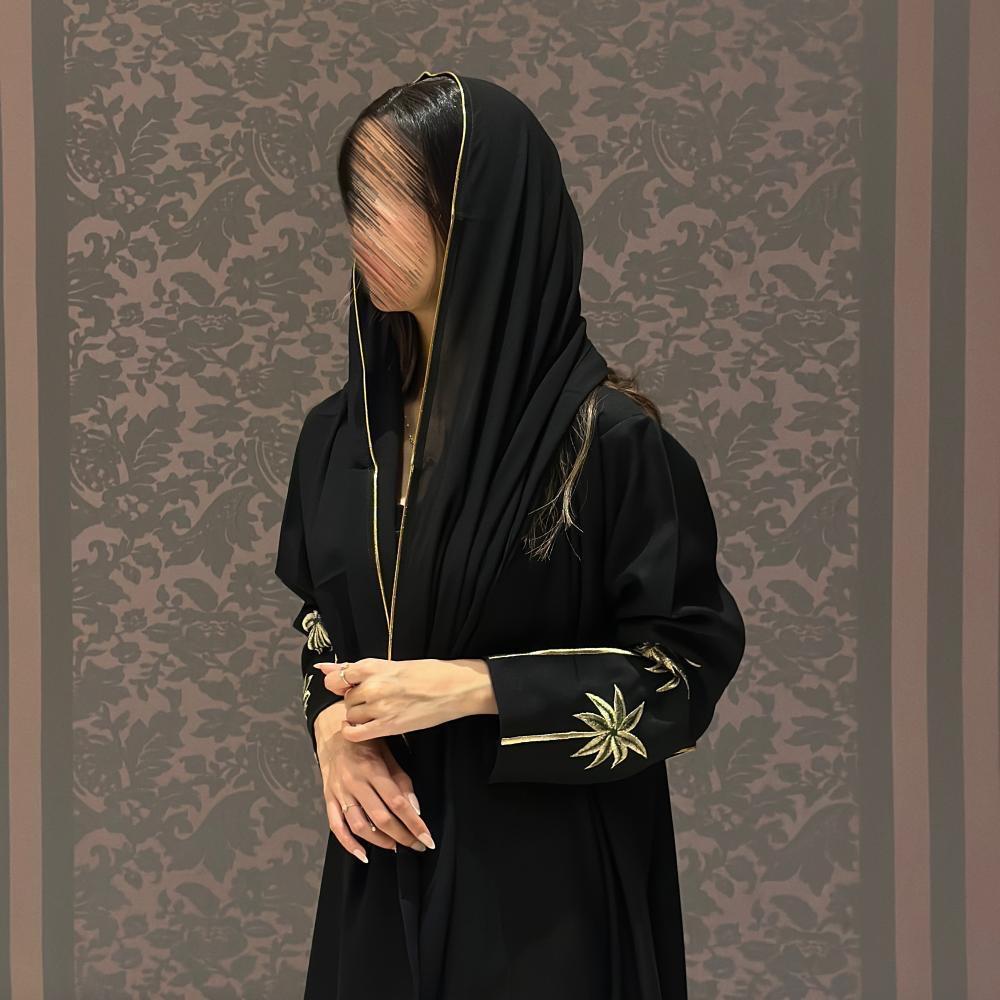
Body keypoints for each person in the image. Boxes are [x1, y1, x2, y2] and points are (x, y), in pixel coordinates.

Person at [275, 70, 746, 1000]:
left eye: (391, 197)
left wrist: (478, 687)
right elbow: (323, 623)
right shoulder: (340, 433)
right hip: (382, 867)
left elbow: (680, 673)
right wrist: (333, 727)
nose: (362, 226)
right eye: (354, 199)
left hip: (548, 896)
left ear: (482, 214)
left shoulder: (608, 445)